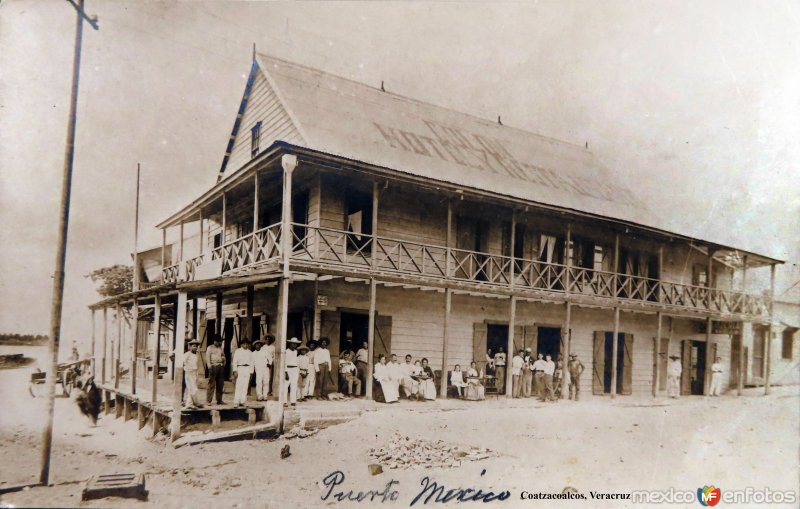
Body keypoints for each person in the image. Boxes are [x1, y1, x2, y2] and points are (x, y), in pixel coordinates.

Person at [232, 340, 253, 406]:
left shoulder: (250, 352)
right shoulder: (238, 351)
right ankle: (236, 401)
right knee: (239, 385)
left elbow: (252, 363)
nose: (245, 345)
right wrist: (235, 370)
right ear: (241, 344)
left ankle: (243, 401)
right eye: (244, 344)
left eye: (247, 344)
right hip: (240, 368)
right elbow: (235, 361)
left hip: (247, 368)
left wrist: (251, 372)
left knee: (245, 385)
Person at [206, 335, 226, 405]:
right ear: (214, 341)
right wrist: (209, 367)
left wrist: (223, 359)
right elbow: (207, 358)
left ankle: (219, 400)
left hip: (220, 366)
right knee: (211, 384)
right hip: (213, 366)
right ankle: (209, 400)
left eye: (220, 341)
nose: (219, 343)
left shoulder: (221, 348)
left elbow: (223, 355)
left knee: (220, 384)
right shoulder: (210, 348)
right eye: (218, 341)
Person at [183, 339, 203, 408]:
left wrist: (197, 373)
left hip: (194, 372)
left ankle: (196, 403)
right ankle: (189, 404)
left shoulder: (196, 355)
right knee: (191, 388)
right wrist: (188, 368)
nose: (195, 348)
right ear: (190, 347)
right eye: (194, 346)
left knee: (195, 388)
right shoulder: (187, 354)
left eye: (196, 346)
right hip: (189, 372)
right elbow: (183, 362)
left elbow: (196, 364)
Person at [284, 337, 301, 406]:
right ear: (290, 344)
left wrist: (298, 371)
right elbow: (284, 363)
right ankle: (284, 401)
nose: (294, 345)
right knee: (285, 386)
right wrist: (286, 372)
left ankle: (293, 401)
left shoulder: (296, 352)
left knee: (294, 385)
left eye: (295, 344)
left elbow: (296, 362)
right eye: (293, 344)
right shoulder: (286, 351)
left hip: (295, 370)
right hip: (288, 369)